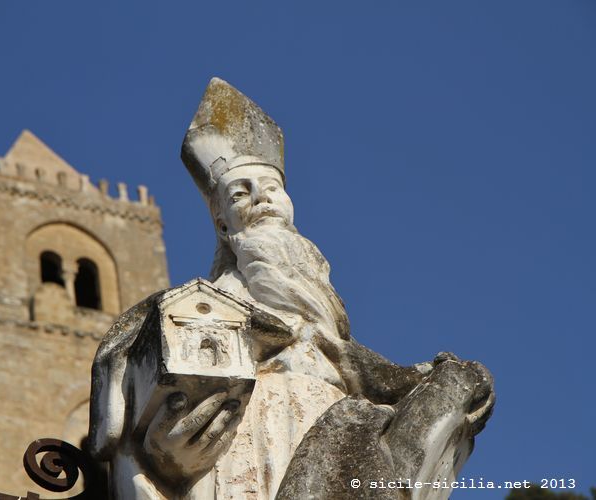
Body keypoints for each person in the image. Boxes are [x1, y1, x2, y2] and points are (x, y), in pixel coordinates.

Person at [87, 78, 494, 499]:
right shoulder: (201, 306)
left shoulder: (322, 313)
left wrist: (428, 378)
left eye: (272, 190)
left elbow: (356, 365)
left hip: (329, 421)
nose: (261, 200)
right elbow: (124, 410)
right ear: (223, 224)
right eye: (240, 194)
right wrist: (163, 452)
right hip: (250, 431)